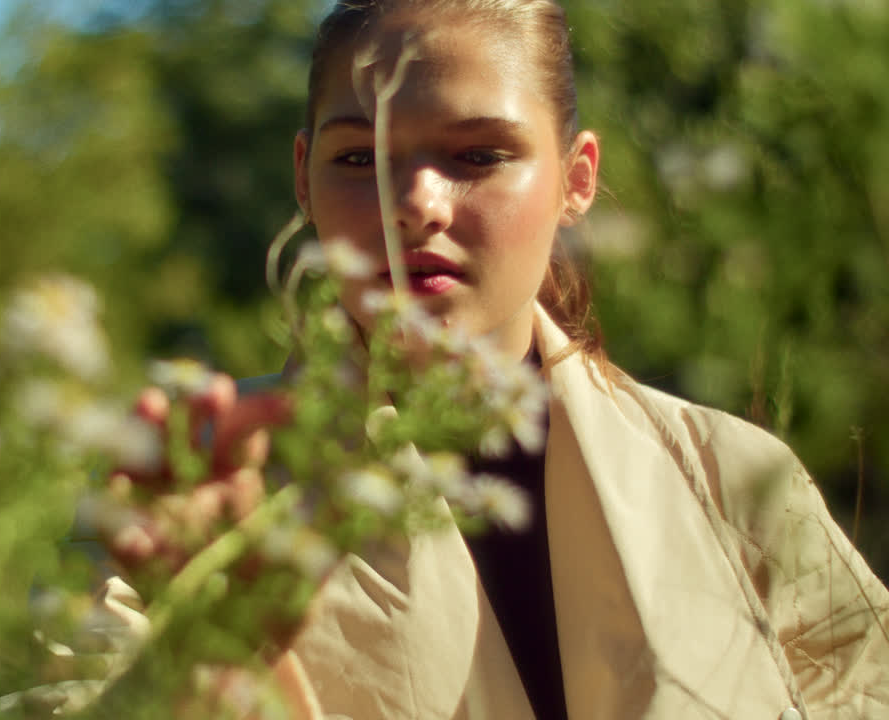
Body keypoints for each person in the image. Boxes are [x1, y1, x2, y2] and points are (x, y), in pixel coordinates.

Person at [97, 1, 889, 718]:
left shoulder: (729, 482)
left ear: (577, 178)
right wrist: (191, 667)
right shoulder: (194, 489)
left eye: (479, 156)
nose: (417, 204)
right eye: (358, 158)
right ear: (302, 176)